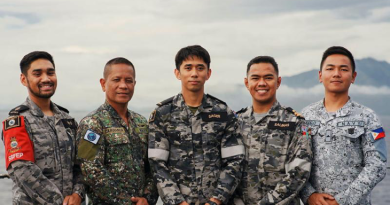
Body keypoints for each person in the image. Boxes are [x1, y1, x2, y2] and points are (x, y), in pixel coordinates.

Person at [148, 45, 244, 205]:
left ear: (208, 73)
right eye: (188, 68)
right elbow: (157, 164)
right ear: (177, 73)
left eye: (200, 68)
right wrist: (177, 202)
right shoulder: (163, 114)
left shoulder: (223, 113)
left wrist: (216, 200)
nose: (194, 73)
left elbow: (235, 161)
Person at [299, 46, 387, 205]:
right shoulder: (305, 116)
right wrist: (309, 195)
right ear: (320, 75)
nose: (336, 74)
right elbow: (297, 161)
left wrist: (341, 201)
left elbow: (377, 165)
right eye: (330, 68)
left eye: (343, 69)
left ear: (353, 77)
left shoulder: (367, 117)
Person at [1, 51, 84, 205]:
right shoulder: (17, 121)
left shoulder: (68, 121)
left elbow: (80, 164)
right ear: (24, 79)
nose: (46, 79)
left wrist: (78, 194)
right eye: (37, 74)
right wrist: (60, 202)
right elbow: (22, 171)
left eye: (50, 73)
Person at [76, 57, 158, 205]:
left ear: (134, 84)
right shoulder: (92, 123)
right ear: (103, 84)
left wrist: (147, 198)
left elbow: (151, 165)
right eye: (116, 80)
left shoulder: (141, 123)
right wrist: (127, 202)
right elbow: (90, 170)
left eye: (128, 80)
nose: (123, 85)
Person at [232, 56, 312, 205]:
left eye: (268, 78)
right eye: (255, 78)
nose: (261, 83)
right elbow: (228, 168)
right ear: (246, 83)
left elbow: (299, 171)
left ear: (278, 82)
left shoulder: (297, 124)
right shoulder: (234, 123)